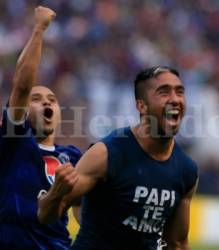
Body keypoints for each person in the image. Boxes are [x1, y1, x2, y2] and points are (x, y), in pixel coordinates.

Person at [38, 66, 198, 250]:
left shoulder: (187, 171)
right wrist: (56, 193)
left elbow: (176, 244)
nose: (175, 99)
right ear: (142, 106)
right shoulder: (106, 154)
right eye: (164, 93)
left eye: (179, 92)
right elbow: (46, 215)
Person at [0, 6, 81, 249]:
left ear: (58, 114)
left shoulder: (74, 157)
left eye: (52, 100)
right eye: (37, 99)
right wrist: (39, 29)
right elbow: (23, 86)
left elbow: (85, 214)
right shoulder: (13, 140)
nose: (46, 102)